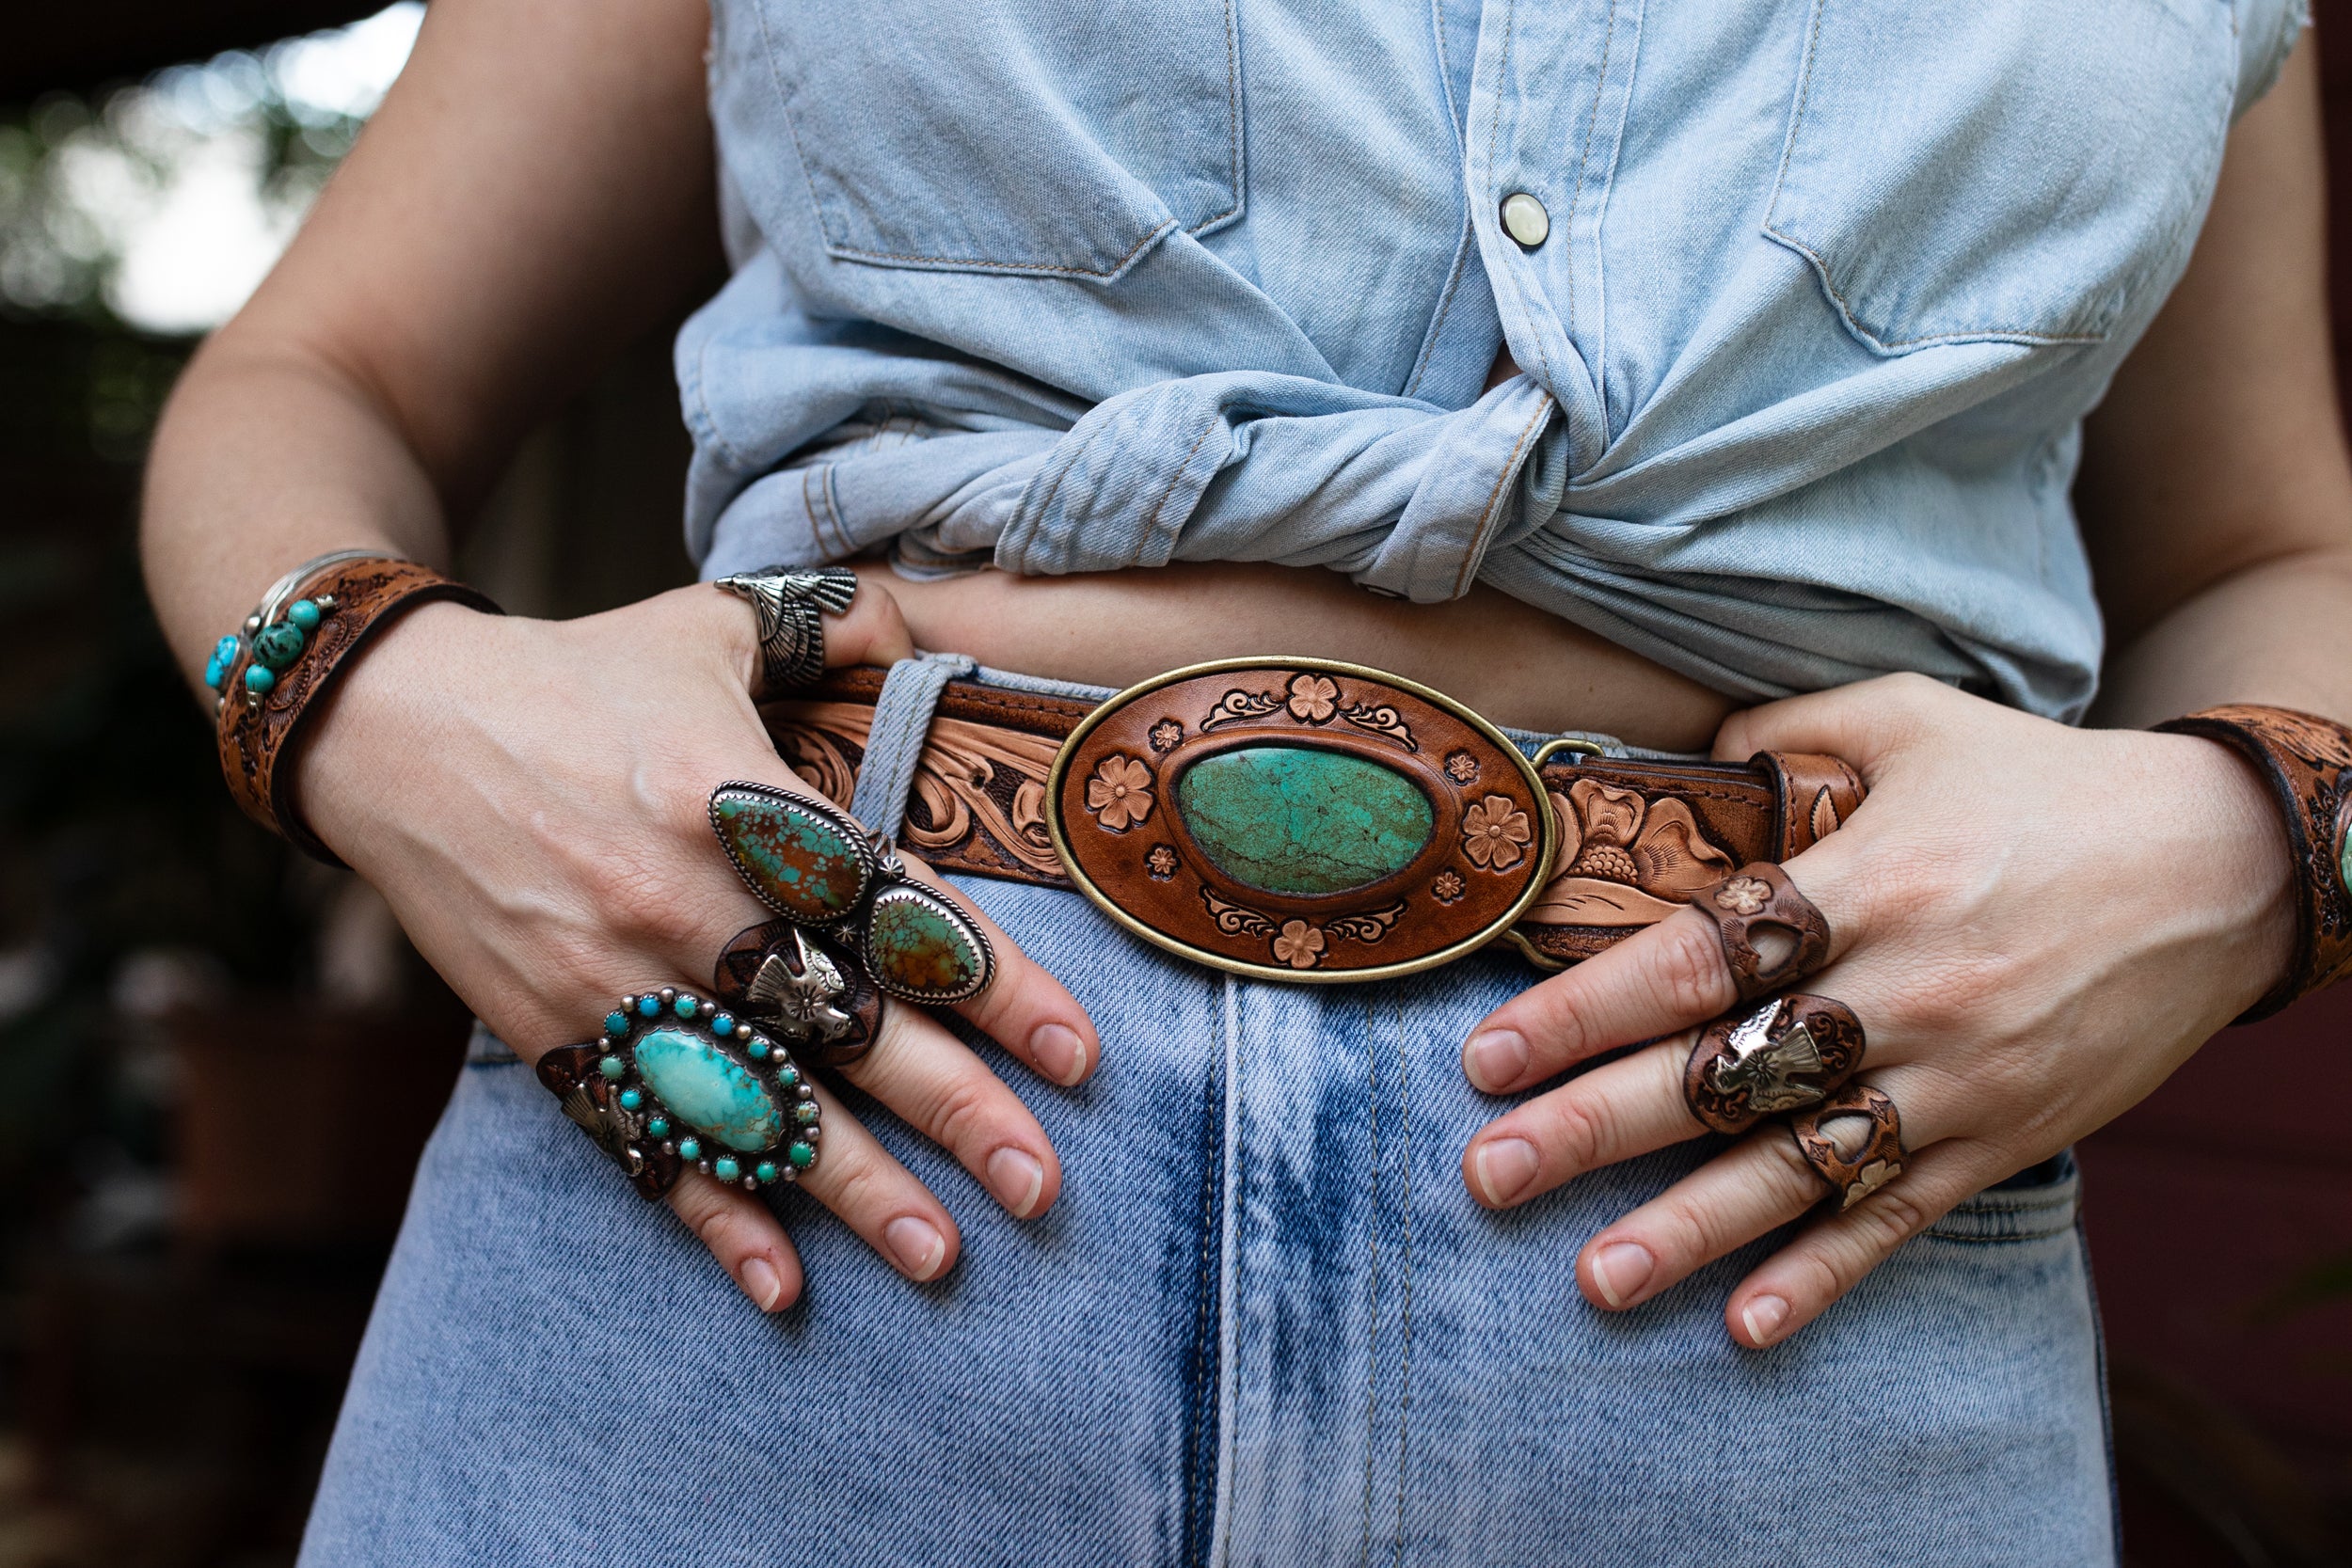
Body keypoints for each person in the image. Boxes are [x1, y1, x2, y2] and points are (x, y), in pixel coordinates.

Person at [140, 0, 2352, 1560]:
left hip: (1771, 1222)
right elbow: (323, 370)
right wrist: (366, 696)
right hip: (803, 1129)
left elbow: (2269, 551)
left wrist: (2253, 836)